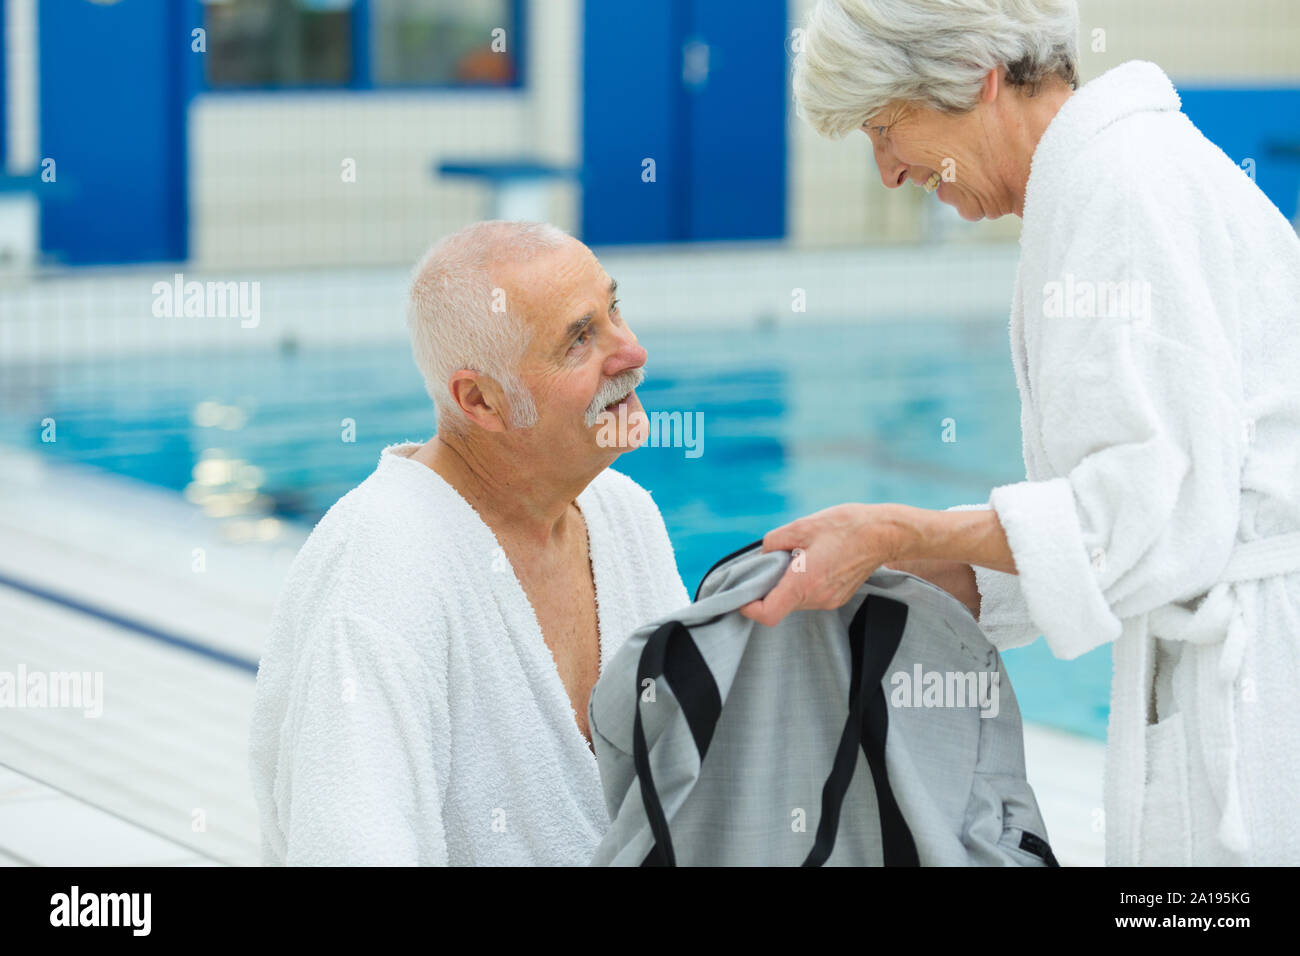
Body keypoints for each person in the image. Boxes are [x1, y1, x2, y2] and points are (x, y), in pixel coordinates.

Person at [751, 0, 1300, 865]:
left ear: (978, 77)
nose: (888, 172)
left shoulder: (1121, 190)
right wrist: (904, 580)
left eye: (885, 128)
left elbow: (1146, 526)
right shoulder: (1106, 178)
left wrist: (896, 530)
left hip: (1261, 688)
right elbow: (1109, 520)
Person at [249, 220, 689, 864]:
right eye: (580, 339)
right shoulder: (383, 571)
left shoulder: (623, 517)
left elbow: (700, 767)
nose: (631, 353)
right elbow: (351, 846)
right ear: (480, 400)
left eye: (613, 309)